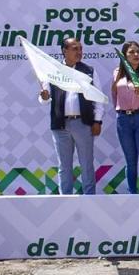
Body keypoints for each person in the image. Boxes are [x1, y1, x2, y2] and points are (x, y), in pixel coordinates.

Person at [38, 37, 104, 195]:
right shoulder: (53, 70)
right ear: (64, 51)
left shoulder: (89, 70)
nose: (79, 52)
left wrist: (97, 121)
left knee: (87, 165)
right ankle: (65, 200)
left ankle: (90, 199)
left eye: (80, 48)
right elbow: (44, 99)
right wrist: (44, 97)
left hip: (83, 124)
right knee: (64, 166)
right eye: (75, 48)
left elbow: (98, 98)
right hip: (60, 125)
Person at [111, 41, 139, 194]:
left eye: (138, 51)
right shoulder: (117, 72)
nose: (136, 55)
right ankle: (132, 194)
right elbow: (114, 95)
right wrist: (120, 111)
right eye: (131, 52)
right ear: (124, 56)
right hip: (123, 120)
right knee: (130, 162)